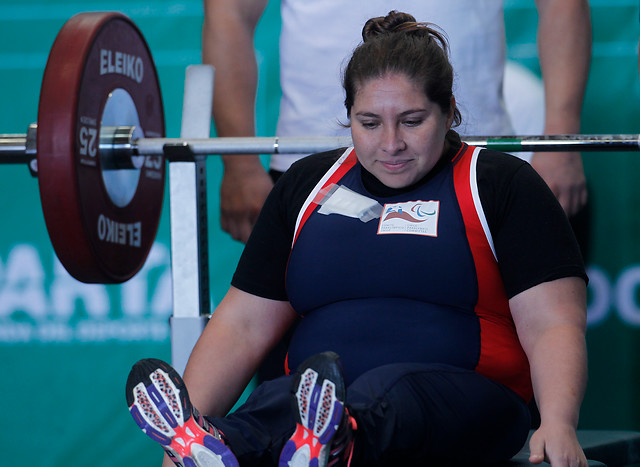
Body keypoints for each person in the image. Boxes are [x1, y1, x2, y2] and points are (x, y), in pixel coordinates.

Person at [127, 13, 588, 466]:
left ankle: (335, 438)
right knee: (277, 399)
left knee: (392, 389)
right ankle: (211, 443)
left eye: (411, 121)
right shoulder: (306, 184)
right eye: (369, 123)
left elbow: (553, 323)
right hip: (317, 398)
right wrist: (183, 441)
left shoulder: (502, 183)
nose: (390, 143)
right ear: (347, 116)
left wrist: (558, 422)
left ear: (449, 111)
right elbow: (242, 325)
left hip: (470, 400)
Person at [203, 0, 592, 244]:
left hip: (475, 168)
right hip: (313, 170)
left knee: (492, 353)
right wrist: (239, 164)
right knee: (301, 364)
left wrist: (559, 142)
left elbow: (563, 5)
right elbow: (229, 12)